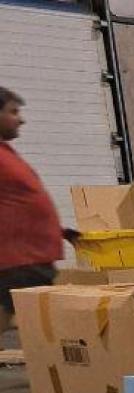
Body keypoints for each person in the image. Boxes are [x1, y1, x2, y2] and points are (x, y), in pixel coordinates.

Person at [0, 87, 72, 326]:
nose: (21, 119)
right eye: (13, 112)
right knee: (45, 325)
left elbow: (18, 202)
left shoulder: (6, 152)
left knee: (37, 321)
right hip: (18, 258)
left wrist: (58, 230)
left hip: (28, 256)